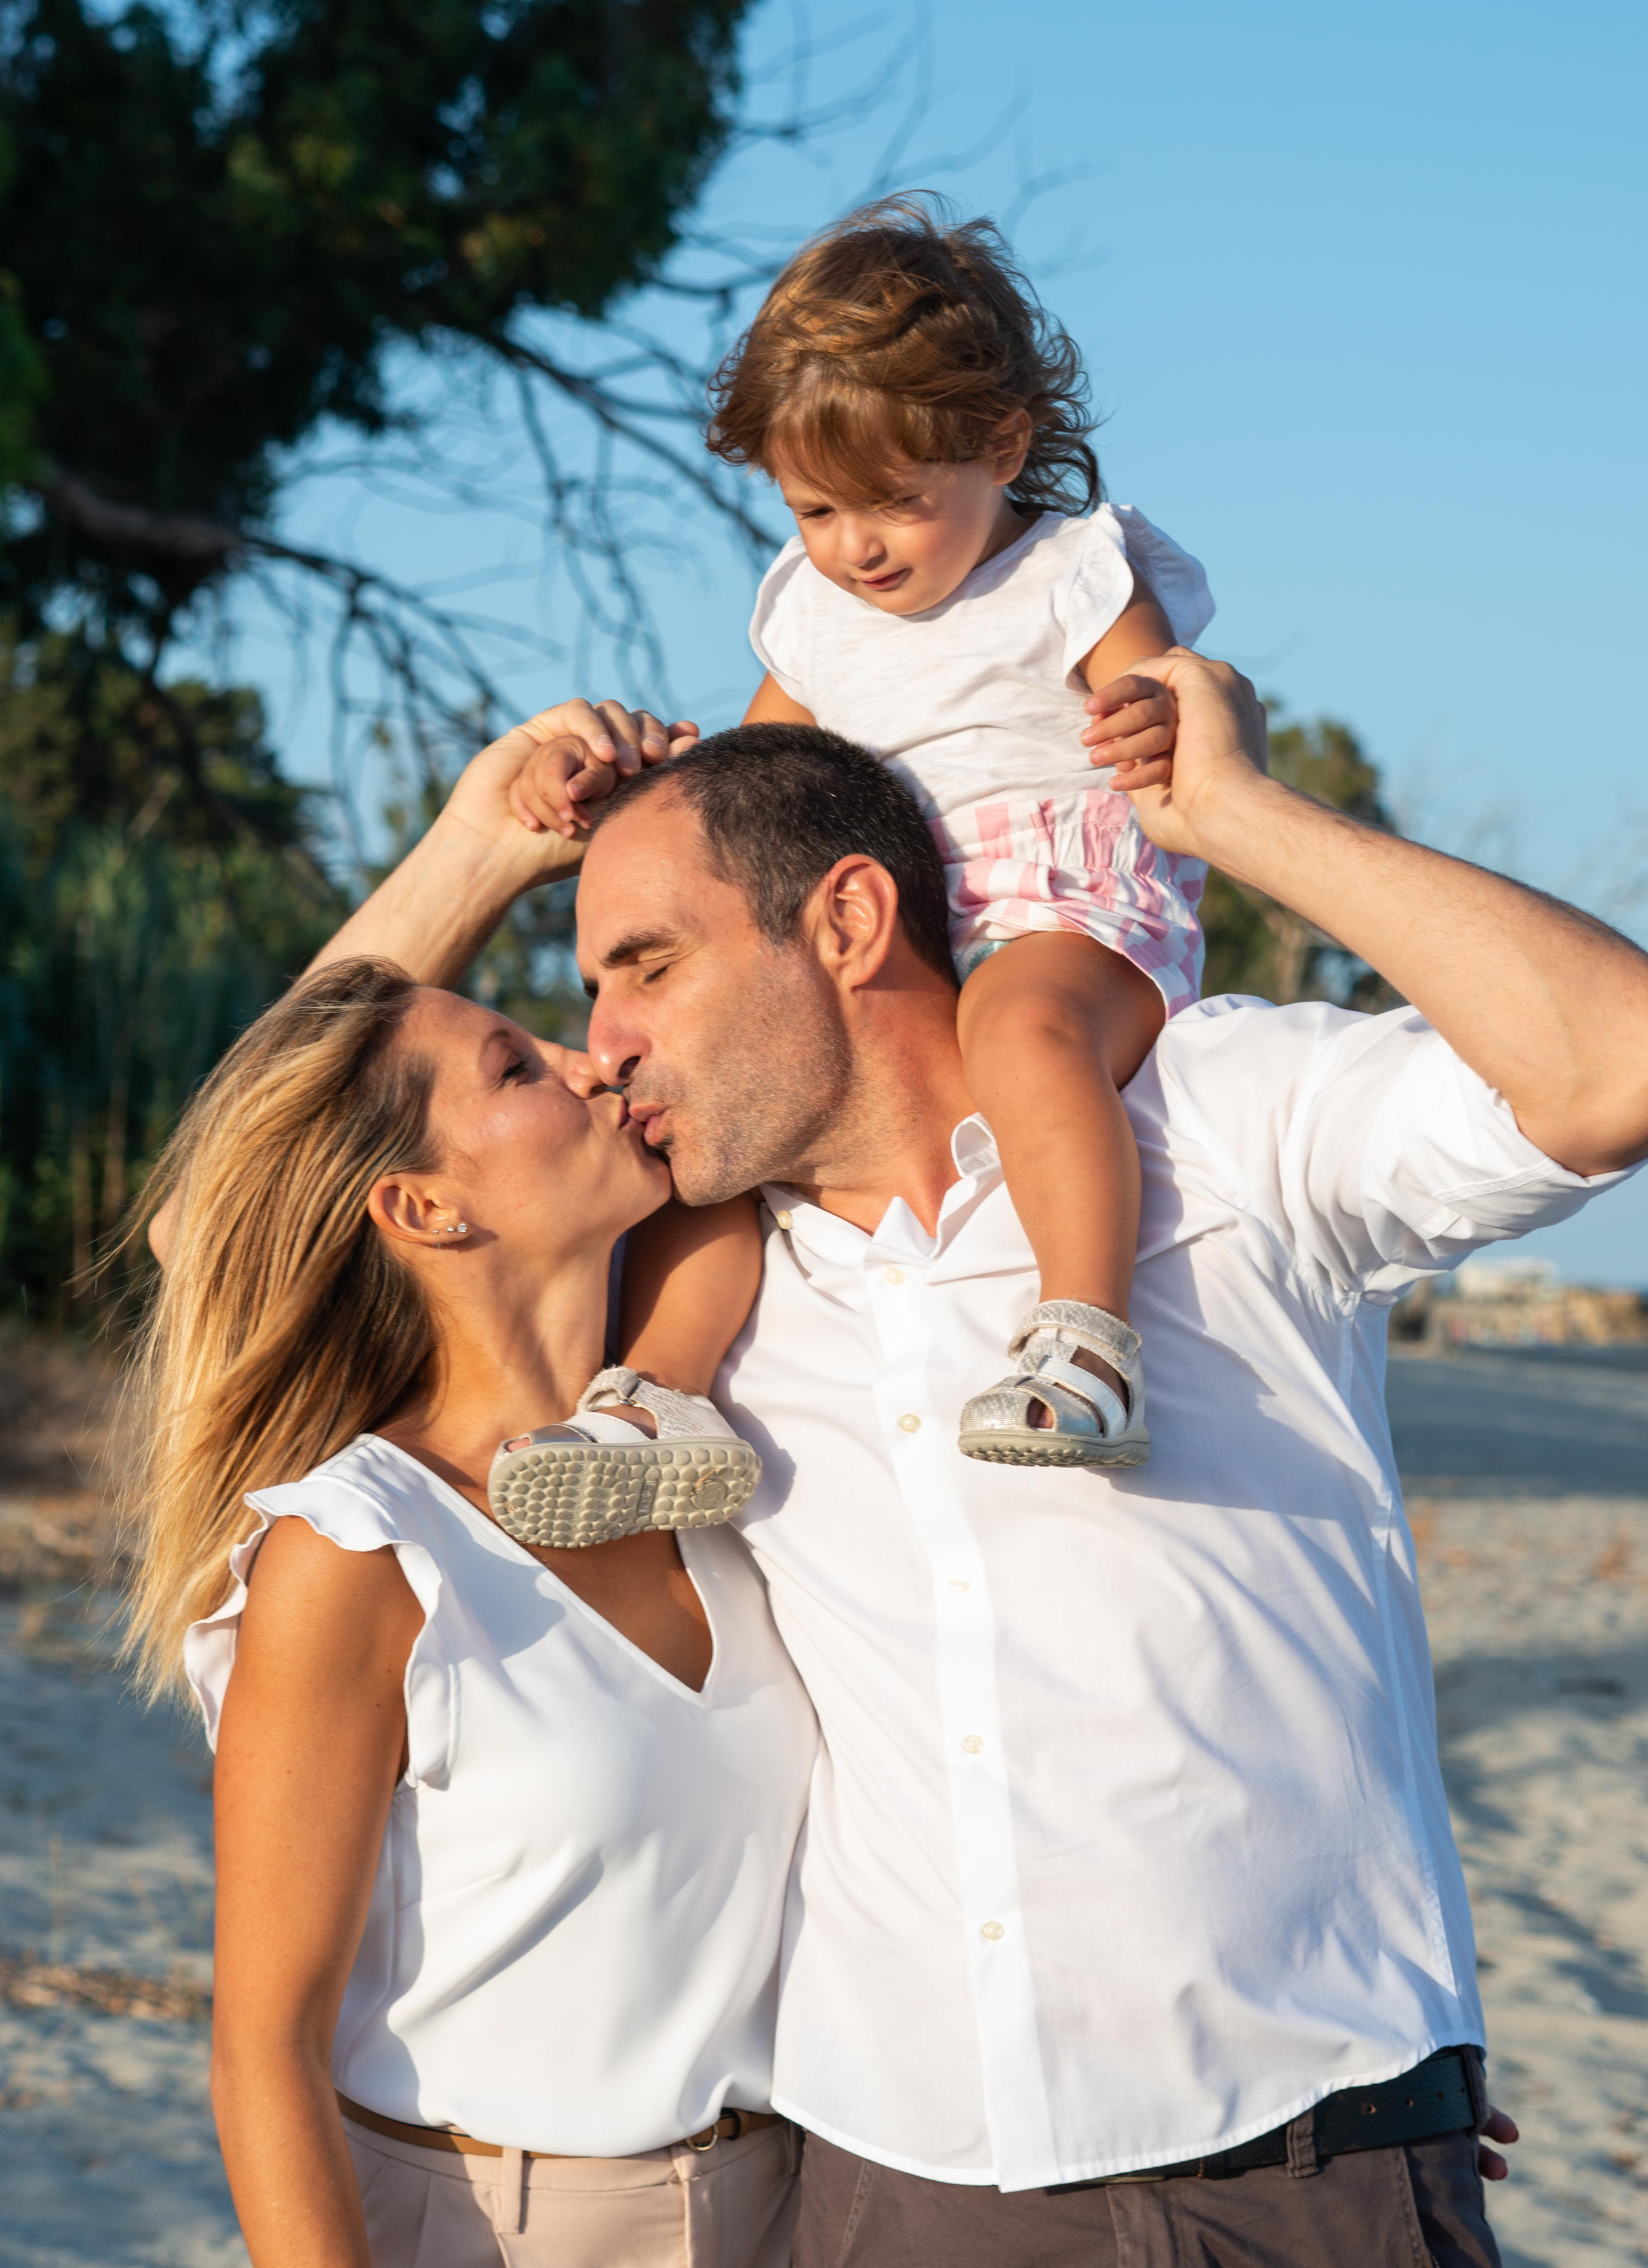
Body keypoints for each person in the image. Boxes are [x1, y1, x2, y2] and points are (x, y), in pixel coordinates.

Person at [317, 648, 1648, 2267]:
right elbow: (240, 1204)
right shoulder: (668, 1291)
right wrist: (476, 842)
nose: (605, 1044)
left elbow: (1612, 1064)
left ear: (850, 922)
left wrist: (1234, 812)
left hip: (1317, 2167)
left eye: (645, 967)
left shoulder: (1207, 1121)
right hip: (904, 2192)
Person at [123, 958, 817, 2268]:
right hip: (486, 2231)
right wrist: (478, 844)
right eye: (517, 1063)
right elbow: (262, 2050)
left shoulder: (720, 1457)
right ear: (422, 1206)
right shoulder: (360, 1549)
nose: (589, 1060)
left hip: (784, 2211)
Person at [507, 196, 1215, 1473]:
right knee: (719, 1120)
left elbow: (1178, 704)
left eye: (888, 502)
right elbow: (750, 784)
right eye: (812, 513)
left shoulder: (1067, 574)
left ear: (1000, 443)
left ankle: (1087, 1336)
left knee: (1021, 1032)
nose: (852, 548)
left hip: (1062, 908)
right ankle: (658, 1398)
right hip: (896, 920)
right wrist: (629, 787)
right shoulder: (814, 615)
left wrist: (1158, 721)